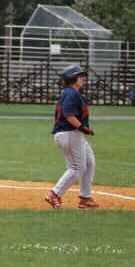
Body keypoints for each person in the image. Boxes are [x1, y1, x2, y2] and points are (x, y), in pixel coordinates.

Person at [45, 64, 99, 209]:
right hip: (69, 133)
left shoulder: (71, 92)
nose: (82, 79)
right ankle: (54, 194)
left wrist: (82, 130)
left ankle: (85, 198)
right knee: (76, 167)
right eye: (80, 76)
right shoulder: (71, 93)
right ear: (72, 78)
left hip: (73, 134)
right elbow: (68, 114)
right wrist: (82, 127)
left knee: (89, 162)